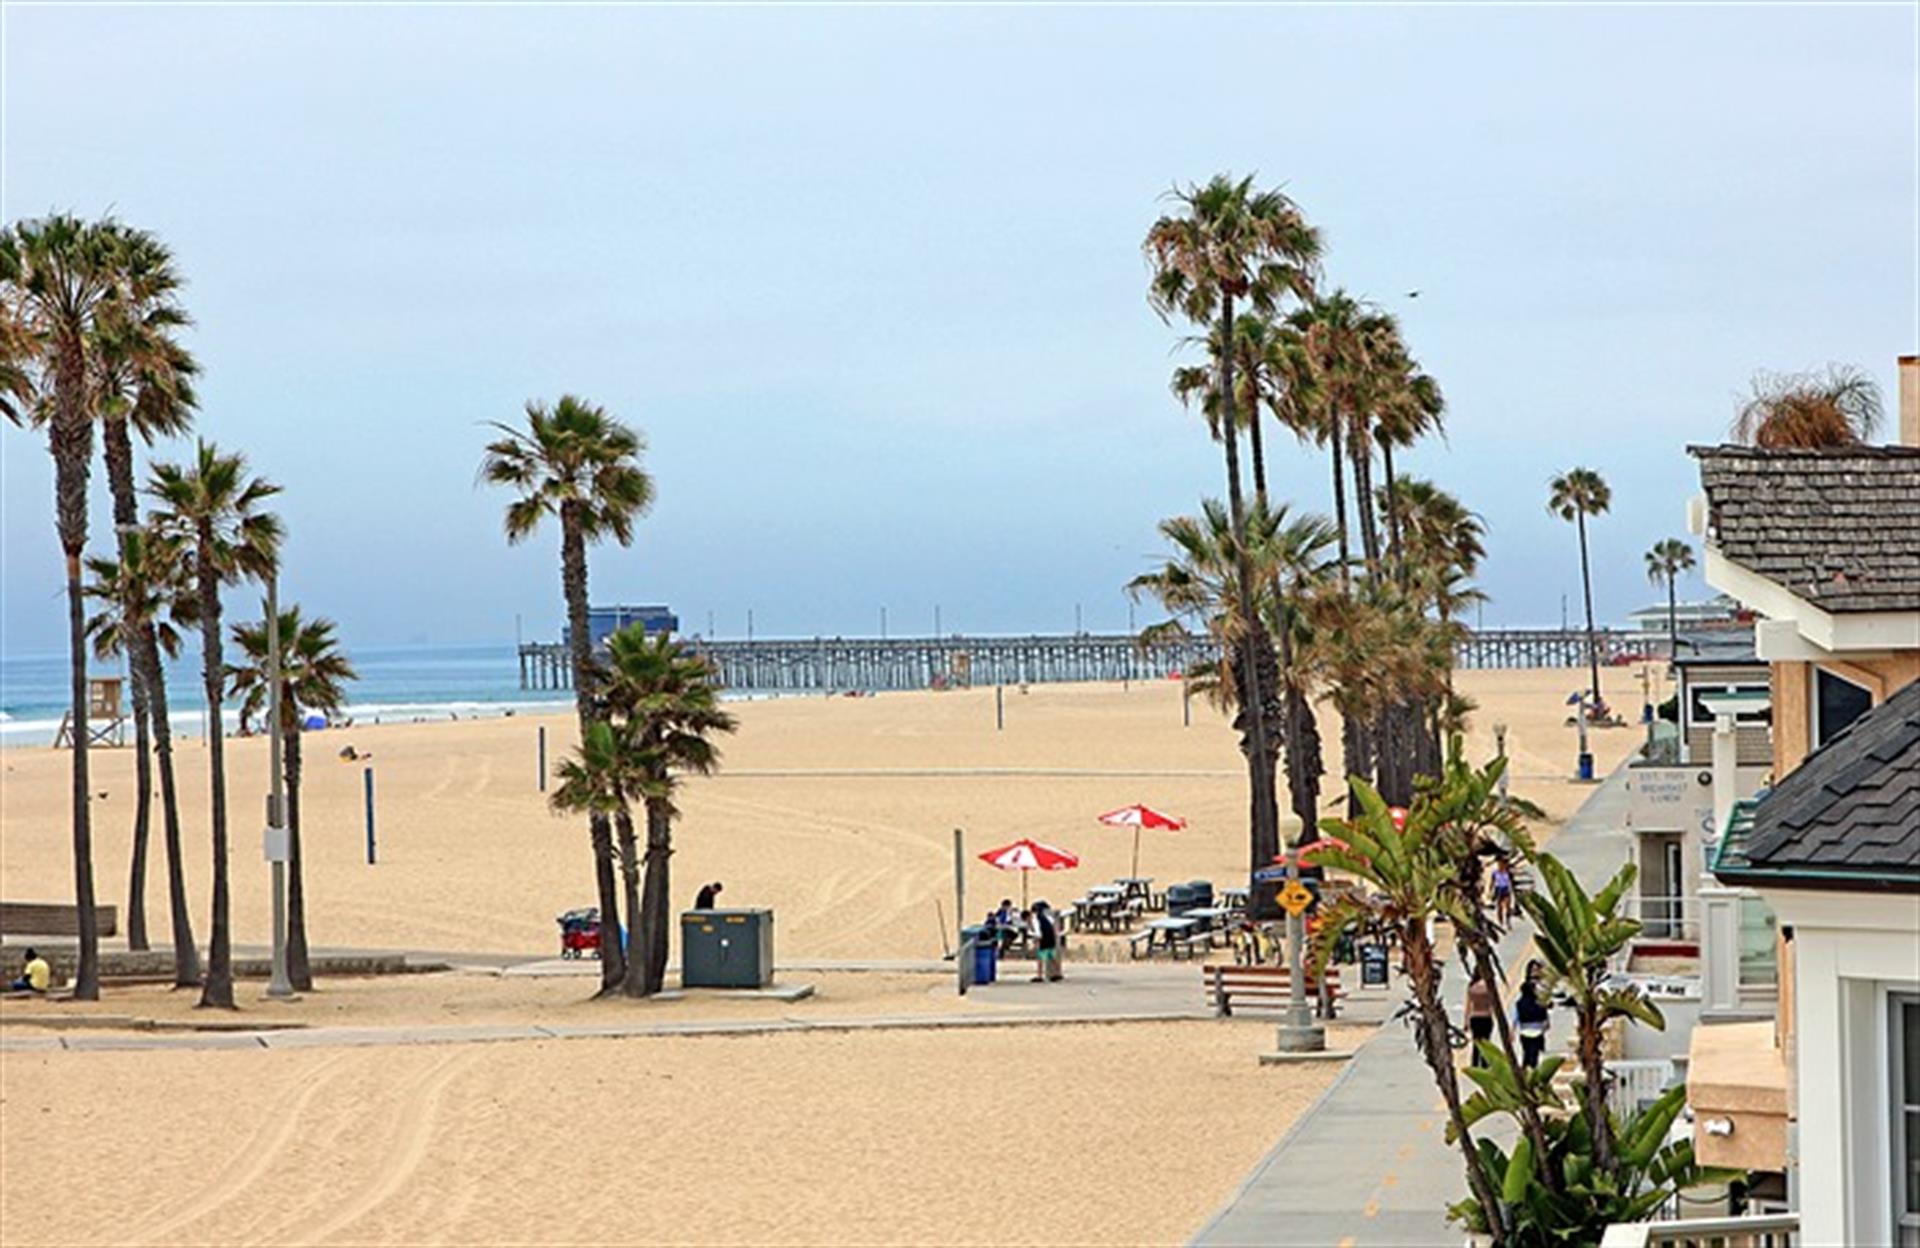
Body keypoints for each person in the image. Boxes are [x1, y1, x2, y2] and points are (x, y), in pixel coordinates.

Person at [1515, 978, 1551, 1070]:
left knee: (1526, 1053)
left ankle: (1525, 1071)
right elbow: (1544, 1015)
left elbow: (1518, 1017)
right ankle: (1532, 1071)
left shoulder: (1519, 1003)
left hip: (1524, 1031)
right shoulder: (1539, 1003)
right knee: (1534, 1055)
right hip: (1537, 1031)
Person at [1465, 976, 1496, 1066]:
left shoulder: (1472, 987)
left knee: (1476, 1043)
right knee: (1486, 1043)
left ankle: (1474, 1063)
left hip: (1475, 1017)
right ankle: (1485, 1063)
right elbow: (1492, 1005)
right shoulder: (1488, 986)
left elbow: (1468, 1006)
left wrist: (1466, 1021)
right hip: (1486, 1017)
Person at [1030, 901, 1062, 983]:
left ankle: (1039, 975)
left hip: (1043, 939)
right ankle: (1057, 973)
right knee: (1051, 956)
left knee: (1040, 958)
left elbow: (1038, 932)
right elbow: (1054, 926)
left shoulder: (1036, 919)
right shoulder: (1048, 918)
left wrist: (1036, 941)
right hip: (1050, 938)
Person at [1490, 861, 1514, 926]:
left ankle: (1508, 920)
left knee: (1507, 906)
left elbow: (1511, 882)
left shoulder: (1508, 873)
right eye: (1499, 865)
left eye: (1502, 865)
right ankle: (1501, 922)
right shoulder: (1495, 873)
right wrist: (1490, 891)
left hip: (1506, 889)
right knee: (1499, 907)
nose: (1501, 866)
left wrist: (1511, 891)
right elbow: (1492, 882)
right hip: (1498, 889)